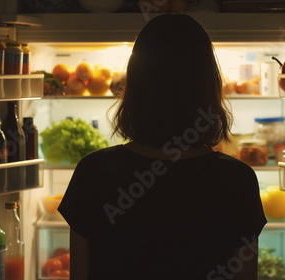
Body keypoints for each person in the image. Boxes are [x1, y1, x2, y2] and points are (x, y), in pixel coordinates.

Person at [58, 14, 267, 280]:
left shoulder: (93, 171)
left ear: (134, 88)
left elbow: (80, 274)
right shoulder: (237, 179)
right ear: (208, 87)